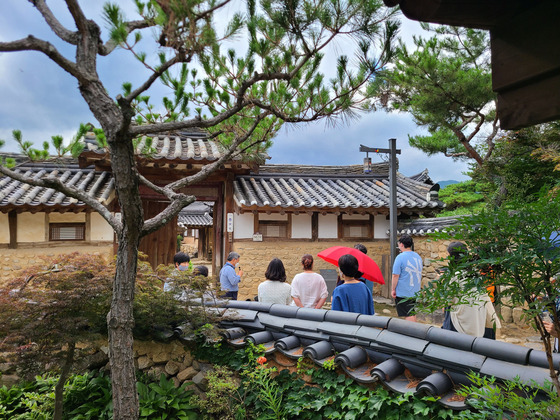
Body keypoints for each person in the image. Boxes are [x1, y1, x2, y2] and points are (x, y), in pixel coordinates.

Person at [442, 241, 501, 337]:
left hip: (462, 324)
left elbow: (447, 301)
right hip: (478, 320)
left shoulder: (456, 276)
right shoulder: (474, 274)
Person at [391, 234, 423, 322]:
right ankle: (413, 331)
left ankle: (411, 333)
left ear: (401, 244)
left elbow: (395, 275)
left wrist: (393, 289)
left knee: (408, 314)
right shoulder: (417, 256)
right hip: (415, 290)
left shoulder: (400, 257)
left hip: (404, 290)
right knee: (411, 312)